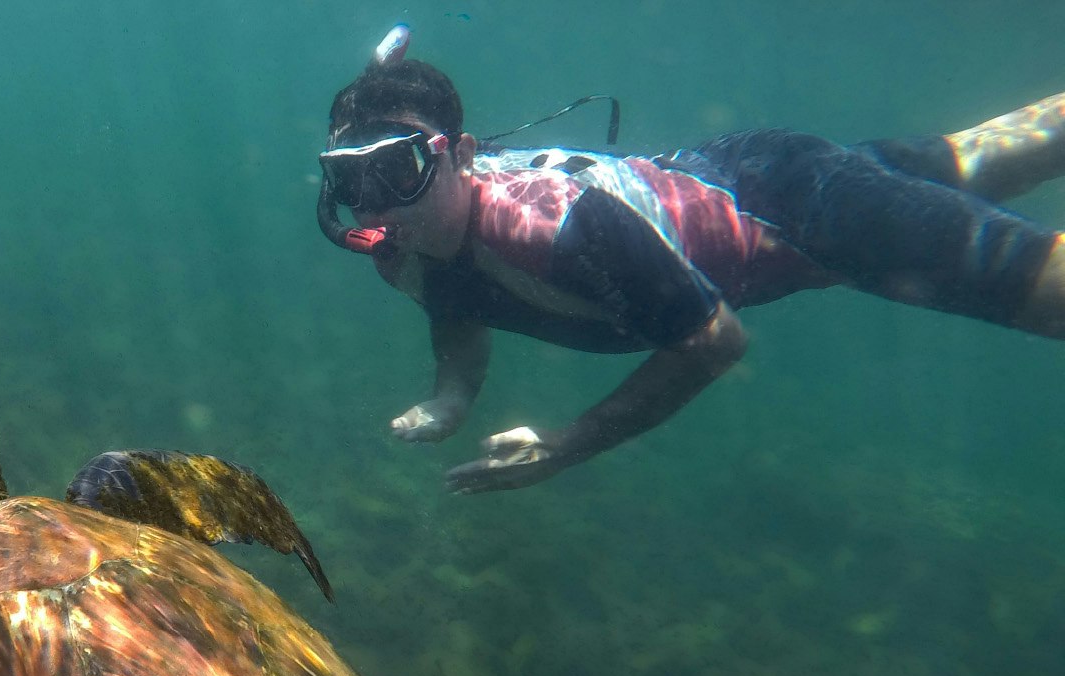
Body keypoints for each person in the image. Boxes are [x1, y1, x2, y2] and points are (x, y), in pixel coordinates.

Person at [319, 25, 1065, 494]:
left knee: (1038, 286)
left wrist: (568, 445)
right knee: (992, 156)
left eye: (400, 171)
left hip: (789, 204)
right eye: (351, 181)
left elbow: (713, 342)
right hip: (726, 173)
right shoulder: (399, 251)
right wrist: (453, 399)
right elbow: (455, 307)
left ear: (464, 158)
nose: (376, 207)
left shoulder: (556, 229)